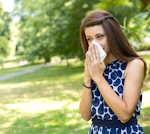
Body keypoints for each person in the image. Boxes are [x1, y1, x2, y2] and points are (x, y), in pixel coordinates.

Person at [79, 10, 147, 134]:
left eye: (100, 36)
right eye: (89, 39)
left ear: (112, 35)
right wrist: (87, 78)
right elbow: (85, 115)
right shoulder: (95, 66)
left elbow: (125, 115)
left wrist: (98, 78)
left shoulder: (134, 65)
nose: (95, 44)